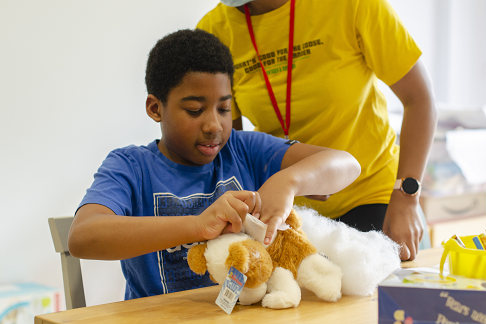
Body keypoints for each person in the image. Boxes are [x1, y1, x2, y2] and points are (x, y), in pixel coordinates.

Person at [68, 29, 361, 300]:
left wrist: (287, 181)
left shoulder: (244, 149)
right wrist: (197, 226)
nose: (214, 125)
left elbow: (347, 164)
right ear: (156, 108)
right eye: (195, 110)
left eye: (224, 109)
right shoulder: (131, 167)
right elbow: (83, 237)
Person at [196, 0, 438, 261]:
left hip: (374, 197)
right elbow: (232, 143)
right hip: (288, 213)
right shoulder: (215, 29)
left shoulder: (353, 5)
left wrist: (406, 197)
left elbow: (419, 100)